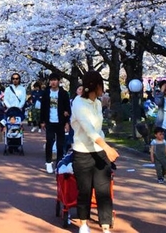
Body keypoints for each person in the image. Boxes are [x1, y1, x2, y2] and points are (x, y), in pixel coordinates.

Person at [70, 71, 119, 233]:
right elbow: (89, 130)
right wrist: (107, 147)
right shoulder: (78, 103)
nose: (103, 89)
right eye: (101, 86)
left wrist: (104, 149)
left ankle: (105, 226)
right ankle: (83, 224)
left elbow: (97, 129)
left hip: (99, 152)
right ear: (96, 86)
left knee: (103, 190)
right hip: (82, 152)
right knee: (84, 190)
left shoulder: (97, 103)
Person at [40, 73, 71, 173]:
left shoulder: (63, 93)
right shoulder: (46, 93)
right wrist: (42, 121)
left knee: (60, 144)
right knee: (49, 141)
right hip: (49, 121)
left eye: (55, 80)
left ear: (58, 81)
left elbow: (67, 109)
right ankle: (48, 162)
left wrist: (67, 122)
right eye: (51, 80)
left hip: (60, 121)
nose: (53, 82)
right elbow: (43, 108)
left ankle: (59, 163)